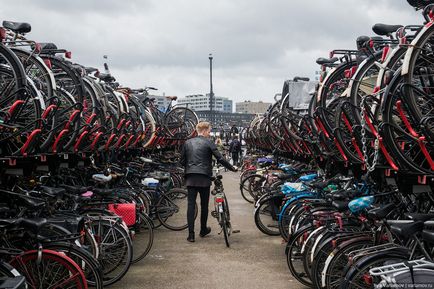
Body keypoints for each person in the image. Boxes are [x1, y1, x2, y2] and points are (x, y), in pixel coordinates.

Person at [180, 122, 237, 242]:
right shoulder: (209, 142)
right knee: (204, 205)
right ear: (205, 130)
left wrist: (189, 168)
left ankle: (191, 235)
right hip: (204, 177)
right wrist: (232, 168)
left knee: (191, 205)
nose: (209, 133)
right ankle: (203, 230)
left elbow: (182, 161)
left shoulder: (187, 143)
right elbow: (220, 158)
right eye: (209, 131)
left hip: (191, 177)